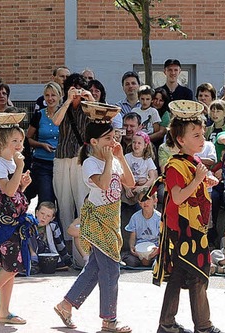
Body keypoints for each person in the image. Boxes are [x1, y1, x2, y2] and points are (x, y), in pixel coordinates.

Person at [54, 120, 135, 332]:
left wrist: (119, 157)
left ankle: (66, 305)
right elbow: (105, 184)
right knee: (110, 270)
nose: (113, 141)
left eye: (114, 137)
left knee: (95, 268)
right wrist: (109, 161)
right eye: (108, 138)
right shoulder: (90, 163)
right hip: (97, 220)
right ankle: (109, 320)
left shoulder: (113, 159)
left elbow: (130, 182)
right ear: (94, 141)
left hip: (112, 219)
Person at [154, 113, 222, 333]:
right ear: (181, 140)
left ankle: (167, 324)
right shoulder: (174, 165)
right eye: (196, 135)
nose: (202, 139)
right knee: (198, 275)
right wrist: (197, 180)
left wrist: (206, 180)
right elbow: (177, 197)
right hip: (182, 229)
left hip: (195, 227)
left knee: (180, 276)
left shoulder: (195, 161)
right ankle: (203, 326)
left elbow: (197, 185)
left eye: (202, 134)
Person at [0, 115, 34, 326]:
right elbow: (8, 190)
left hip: (14, 220)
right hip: (3, 223)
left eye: (20, 141)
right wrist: (20, 171)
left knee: (10, 266)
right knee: (11, 266)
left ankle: (4, 311)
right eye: (15, 141)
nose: (19, 145)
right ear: (2, 141)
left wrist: (23, 184)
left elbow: (15, 191)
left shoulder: (11, 162)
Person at [51, 74, 94, 249]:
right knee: (64, 202)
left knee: (82, 200)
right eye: (73, 88)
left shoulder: (87, 106)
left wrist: (89, 97)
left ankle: (84, 247)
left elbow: (100, 118)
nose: (76, 92)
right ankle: (68, 248)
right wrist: (68, 100)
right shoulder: (64, 105)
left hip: (81, 159)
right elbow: (56, 120)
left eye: (79, 88)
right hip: (62, 157)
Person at [26, 82, 61, 204]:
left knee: (62, 200)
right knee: (46, 198)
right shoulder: (39, 115)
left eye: (53, 95)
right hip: (42, 164)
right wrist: (41, 145)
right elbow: (28, 138)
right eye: (47, 95)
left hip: (61, 163)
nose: (50, 98)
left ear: (59, 96)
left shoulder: (66, 115)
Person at [28, 201, 72, 273]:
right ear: (36, 213)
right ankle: (34, 264)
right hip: (33, 253)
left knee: (59, 262)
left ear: (52, 218)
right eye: (42, 213)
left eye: (48, 216)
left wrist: (65, 257)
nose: (44, 217)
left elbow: (60, 244)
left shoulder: (53, 226)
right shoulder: (29, 225)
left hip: (47, 253)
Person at [122, 193, 160, 267]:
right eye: (142, 200)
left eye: (148, 199)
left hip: (154, 248)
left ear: (155, 201)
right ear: (139, 203)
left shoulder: (159, 218)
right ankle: (142, 261)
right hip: (139, 247)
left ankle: (151, 262)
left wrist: (158, 249)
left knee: (158, 263)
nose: (145, 202)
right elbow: (133, 236)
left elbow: (161, 237)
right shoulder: (135, 217)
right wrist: (132, 246)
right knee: (131, 261)